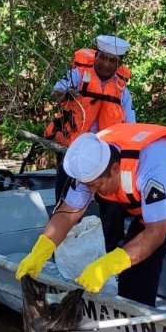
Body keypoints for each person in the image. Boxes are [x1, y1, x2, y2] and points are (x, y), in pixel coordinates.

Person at [15, 123, 166, 326]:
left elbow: (156, 234)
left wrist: (107, 265)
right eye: (89, 187)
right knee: (134, 269)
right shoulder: (90, 166)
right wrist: (41, 251)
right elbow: (67, 214)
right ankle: (137, 322)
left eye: (98, 185)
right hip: (160, 204)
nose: (93, 191)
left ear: (116, 169)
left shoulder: (150, 170)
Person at [43, 35, 135, 206]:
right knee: (65, 183)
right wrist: (66, 93)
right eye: (102, 57)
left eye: (112, 60)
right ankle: (61, 216)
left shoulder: (122, 91)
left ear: (119, 64)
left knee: (105, 190)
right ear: (96, 56)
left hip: (103, 149)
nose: (106, 64)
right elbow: (54, 95)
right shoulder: (77, 75)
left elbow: (131, 126)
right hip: (72, 145)